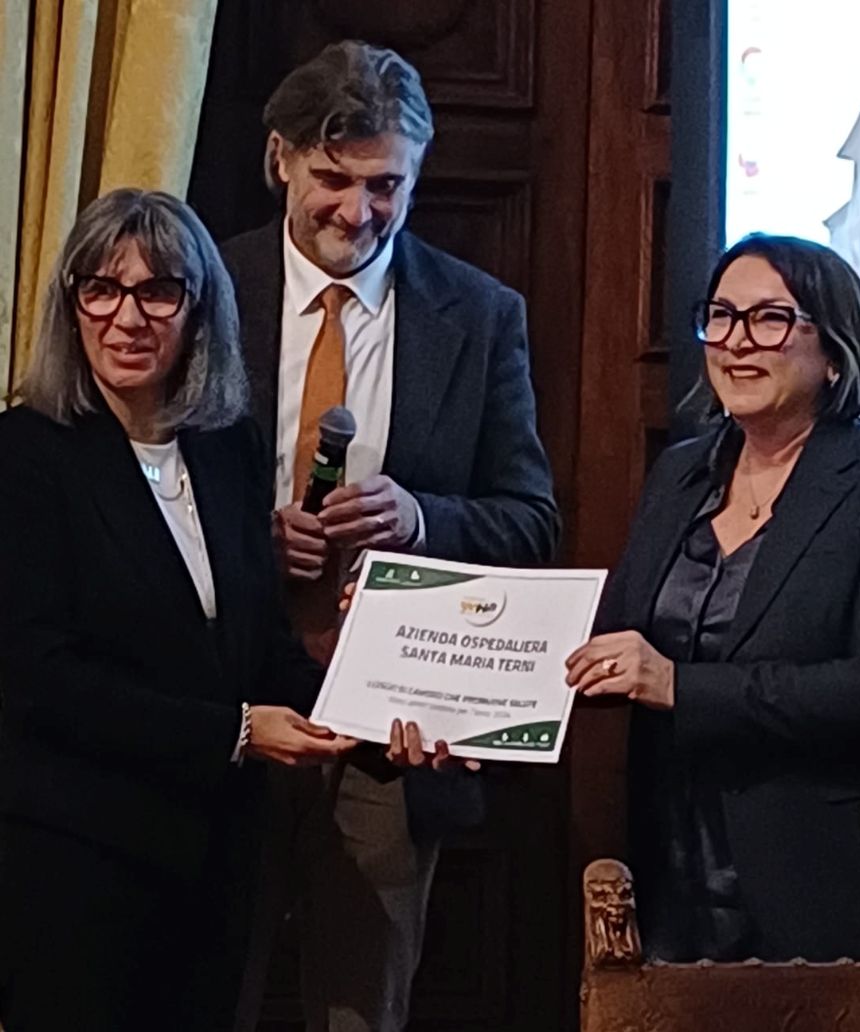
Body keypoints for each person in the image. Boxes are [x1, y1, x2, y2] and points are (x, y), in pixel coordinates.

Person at [222, 41, 560, 1032]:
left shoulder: (484, 315)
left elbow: (532, 522)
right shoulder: (198, 289)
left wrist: (423, 518)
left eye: (386, 185)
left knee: (361, 1009)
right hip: (226, 704)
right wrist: (252, 537)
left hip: (392, 733)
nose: (356, 211)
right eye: (333, 179)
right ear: (280, 159)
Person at [0, 188, 361, 1031]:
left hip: (215, 864)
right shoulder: (23, 455)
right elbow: (40, 678)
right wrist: (233, 732)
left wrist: (369, 696)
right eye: (102, 288)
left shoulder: (225, 449)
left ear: (199, 311)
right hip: (76, 869)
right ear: (72, 306)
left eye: (159, 290)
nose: (128, 316)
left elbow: (254, 649)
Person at [566, 232, 860, 964]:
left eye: (771, 319)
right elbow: (614, 640)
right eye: (721, 315)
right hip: (664, 866)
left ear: (834, 349)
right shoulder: (682, 472)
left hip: (808, 872)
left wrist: (680, 686)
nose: (738, 342)